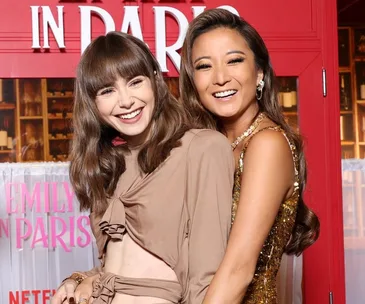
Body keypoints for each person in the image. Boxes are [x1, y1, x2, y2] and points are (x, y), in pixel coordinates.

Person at [51, 31, 235, 304]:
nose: (125, 101)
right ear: (93, 103)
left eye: (135, 82)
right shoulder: (109, 163)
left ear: (155, 80)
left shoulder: (202, 148)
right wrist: (76, 280)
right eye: (107, 91)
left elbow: (207, 274)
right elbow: (117, 267)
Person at [178, 8, 320, 304]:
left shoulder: (267, 143)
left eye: (234, 60)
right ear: (193, 82)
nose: (220, 78)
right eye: (204, 66)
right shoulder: (210, 146)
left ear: (259, 73)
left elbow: (239, 270)